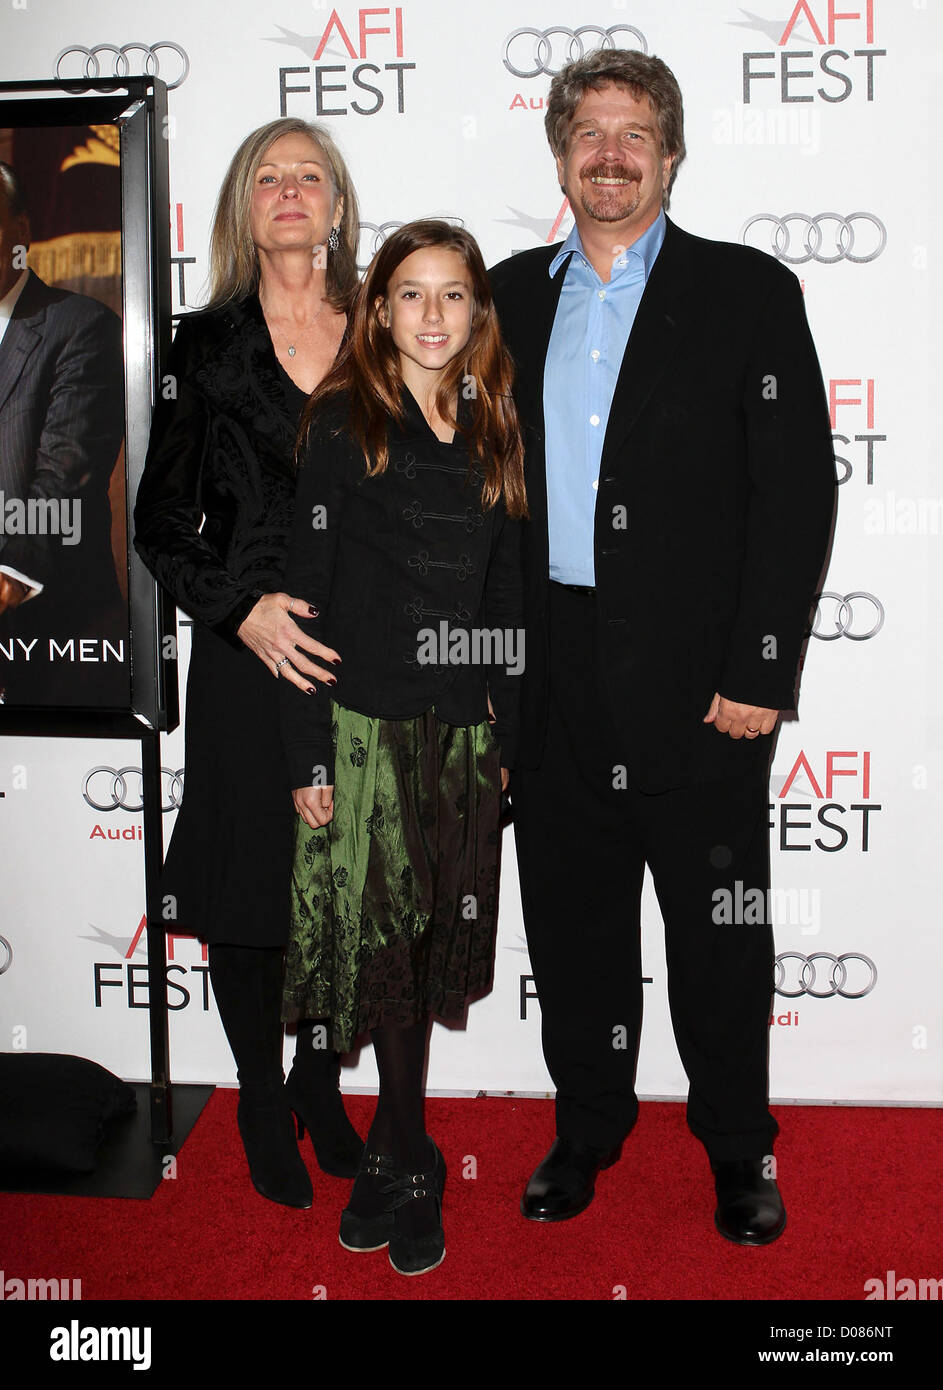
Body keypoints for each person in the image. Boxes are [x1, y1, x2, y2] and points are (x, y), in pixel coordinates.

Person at [489, 50, 836, 1244]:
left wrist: (760, 668)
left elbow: (794, 497)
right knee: (576, 925)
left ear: (672, 155)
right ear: (560, 152)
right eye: (588, 129)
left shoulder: (747, 292)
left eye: (636, 131)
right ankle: (586, 1124)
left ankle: (739, 1146)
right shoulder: (503, 299)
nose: (611, 152)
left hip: (703, 681)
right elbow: (466, 511)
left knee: (720, 932)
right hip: (550, 672)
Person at [278, 219, 526, 1274]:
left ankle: (392, 1151)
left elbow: (506, 590)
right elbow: (302, 606)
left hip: (463, 736)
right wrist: (308, 757)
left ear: (477, 312)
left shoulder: (494, 427)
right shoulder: (346, 426)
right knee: (381, 955)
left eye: (453, 295)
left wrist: (507, 724)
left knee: (427, 953)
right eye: (411, 294)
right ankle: (410, 1155)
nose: (433, 315)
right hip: (364, 733)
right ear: (377, 311)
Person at [133, 118, 364, 1209]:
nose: (287, 192)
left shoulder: (386, 320)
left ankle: (321, 1084)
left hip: (368, 651)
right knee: (250, 891)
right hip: (248, 653)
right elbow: (159, 519)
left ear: (335, 203)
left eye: (306, 176)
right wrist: (240, 612)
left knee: (347, 888)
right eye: (266, 177)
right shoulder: (202, 342)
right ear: (242, 204)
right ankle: (264, 1100)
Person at [0, 161, 125, 707]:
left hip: (51, 638)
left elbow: (61, 488)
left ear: (20, 232)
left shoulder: (80, 327)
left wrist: (7, 576)